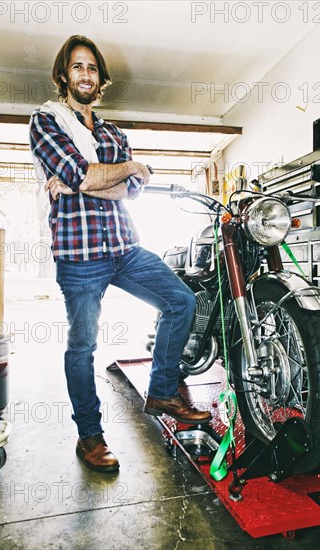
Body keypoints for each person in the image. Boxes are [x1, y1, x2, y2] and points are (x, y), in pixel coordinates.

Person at [29, 35, 212, 473]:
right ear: (63, 76)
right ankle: (90, 437)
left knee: (182, 300)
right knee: (82, 347)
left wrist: (90, 180)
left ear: (100, 79)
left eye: (92, 68)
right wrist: (128, 167)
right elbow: (85, 173)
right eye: (77, 67)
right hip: (79, 255)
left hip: (123, 247)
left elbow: (122, 190)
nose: (85, 74)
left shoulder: (112, 132)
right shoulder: (46, 121)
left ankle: (163, 391)